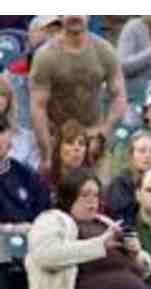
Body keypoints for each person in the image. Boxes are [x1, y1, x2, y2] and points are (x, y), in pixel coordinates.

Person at [25, 169, 150, 289]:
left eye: (96, 195)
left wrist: (135, 254)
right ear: (69, 197)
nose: (92, 200)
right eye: (85, 195)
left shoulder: (105, 222)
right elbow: (45, 255)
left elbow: (142, 269)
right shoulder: (52, 219)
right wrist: (100, 245)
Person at [30, 15, 127, 179]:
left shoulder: (105, 51)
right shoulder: (45, 56)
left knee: (98, 196)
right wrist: (47, 153)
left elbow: (119, 97)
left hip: (94, 138)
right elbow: (38, 108)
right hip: (59, 139)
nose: (75, 15)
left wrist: (103, 132)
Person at [0, 114, 51, 289]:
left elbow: (45, 213)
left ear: (10, 137)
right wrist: (10, 229)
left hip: (30, 249)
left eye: (1, 132)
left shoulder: (26, 175)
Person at [106, 130, 151, 224]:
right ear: (131, 155)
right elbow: (122, 220)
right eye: (142, 151)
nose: (148, 155)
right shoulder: (120, 184)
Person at [49, 119, 88, 190]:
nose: (77, 148)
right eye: (69, 142)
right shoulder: (44, 182)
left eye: (81, 143)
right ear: (58, 147)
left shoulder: (90, 184)